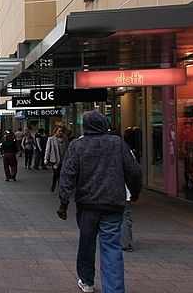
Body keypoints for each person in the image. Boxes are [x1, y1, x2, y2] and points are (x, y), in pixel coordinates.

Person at [57, 110, 142, 293]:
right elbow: (134, 171)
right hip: (113, 204)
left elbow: (67, 175)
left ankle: (87, 281)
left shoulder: (77, 146)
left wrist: (63, 203)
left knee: (86, 243)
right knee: (111, 246)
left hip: (87, 205)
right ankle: (114, 289)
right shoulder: (117, 143)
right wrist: (135, 192)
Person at [45, 125, 69, 193]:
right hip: (55, 160)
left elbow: (68, 148)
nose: (60, 132)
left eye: (62, 131)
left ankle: (60, 187)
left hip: (64, 159)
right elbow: (48, 149)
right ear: (56, 131)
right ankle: (53, 185)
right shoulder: (51, 139)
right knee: (56, 174)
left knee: (62, 174)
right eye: (59, 131)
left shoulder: (65, 139)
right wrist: (46, 158)